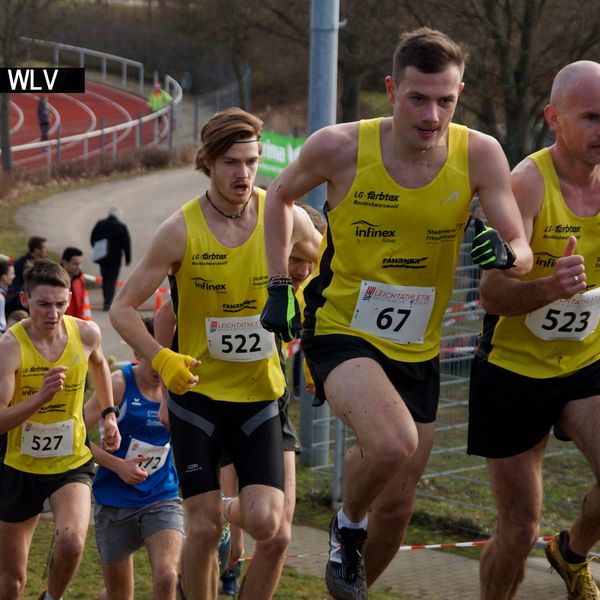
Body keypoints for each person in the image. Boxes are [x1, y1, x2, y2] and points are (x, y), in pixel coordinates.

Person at [261, 27, 533, 599]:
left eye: (446, 100)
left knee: (400, 504)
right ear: (390, 89)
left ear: (460, 94)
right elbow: (280, 197)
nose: (431, 115)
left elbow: (520, 244)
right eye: (417, 98)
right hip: (341, 328)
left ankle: (353, 576)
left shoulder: (480, 153)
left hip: (419, 346)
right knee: (391, 443)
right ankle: (345, 524)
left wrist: (508, 255)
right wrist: (279, 284)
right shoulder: (338, 146)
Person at [109, 107, 321, 600]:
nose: (243, 174)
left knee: (269, 523)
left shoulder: (281, 214)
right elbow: (122, 309)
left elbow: (327, 264)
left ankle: (220, 511)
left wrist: (304, 313)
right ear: (208, 162)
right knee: (200, 531)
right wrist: (162, 360)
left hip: (257, 395)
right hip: (197, 397)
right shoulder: (179, 230)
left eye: (251, 161)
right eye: (231, 162)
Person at [468, 60, 600, 600]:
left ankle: (571, 553)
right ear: (554, 118)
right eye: (592, 117)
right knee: (519, 529)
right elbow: (491, 294)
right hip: (513, 373)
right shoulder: (526, 183)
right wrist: (550, 287)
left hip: (584, 364)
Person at [0, 259, 120, 600]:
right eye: (43, 304)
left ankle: (52, 597)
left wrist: (109, 414)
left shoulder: (86, 333)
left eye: (60, 304)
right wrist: (40, 398)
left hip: (70, 461)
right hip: (18, 467)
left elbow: (99, 365)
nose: (52, 313)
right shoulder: (9, 348)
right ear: (25, 300)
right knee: (12, 581)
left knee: (71, 540)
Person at [84, 316, 184, 600]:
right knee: (119, 596)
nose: (162, 367)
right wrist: (118, 465)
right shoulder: (119, 383)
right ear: (138, 353)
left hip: (161, 496)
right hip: (114, 500)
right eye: (155, 357)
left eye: (169, 357)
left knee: (166, 577)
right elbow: (76, 435)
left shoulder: (180, 387)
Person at [90, 206, 132, 311]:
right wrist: (128, 258)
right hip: (115, 258)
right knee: (112, 279)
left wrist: (97, 249)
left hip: (102, 257)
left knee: (105, 278)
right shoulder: (121, 226)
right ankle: (108, 302)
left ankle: (106, 299)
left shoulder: (100, 224)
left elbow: (92, 238)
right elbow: (126, 243)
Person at [61, 247, 88, 320]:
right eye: (75, 264)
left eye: (80, 264)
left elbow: (82, 303)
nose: (79, 267)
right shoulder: (56, 280)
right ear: (65, 262)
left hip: (76, 321)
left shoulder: (80, 279)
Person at [0, 259, 15, 335]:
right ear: (4, 277)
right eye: (11, 273)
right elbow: (1, 325)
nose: (14, 276)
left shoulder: (7, 290)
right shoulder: (1, 298)